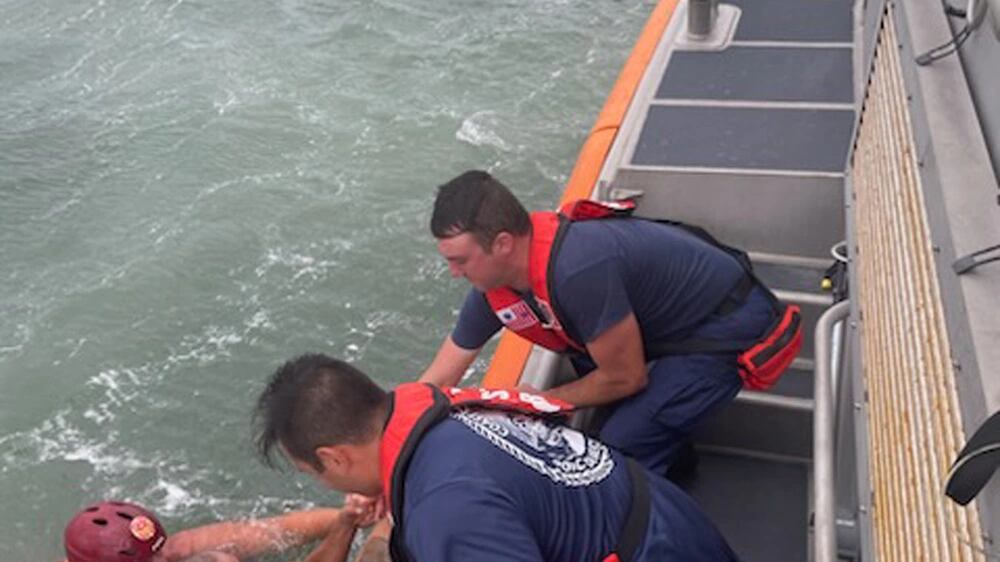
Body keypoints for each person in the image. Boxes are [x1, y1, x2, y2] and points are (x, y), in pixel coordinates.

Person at [420, 170, 800, 475]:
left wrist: (538, 400)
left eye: (460, 260)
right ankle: (674, 455)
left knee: (613, 452)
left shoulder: (577, 271)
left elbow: (627, 377)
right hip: (662, 331)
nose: (454, 273)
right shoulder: (494, 287)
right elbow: (437, 380)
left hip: (721, 327)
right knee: (596, 397)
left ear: (502, 244)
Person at [253, 353, 741, 562]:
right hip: (670, 522)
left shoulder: (445, 504)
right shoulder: (449, 416)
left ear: (333, 458)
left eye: (309, 472)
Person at [62, 498, 386, 562]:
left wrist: (348, 517)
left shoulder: (179, 550)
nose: (164, 559)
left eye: (160, 551)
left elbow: (278, 530)